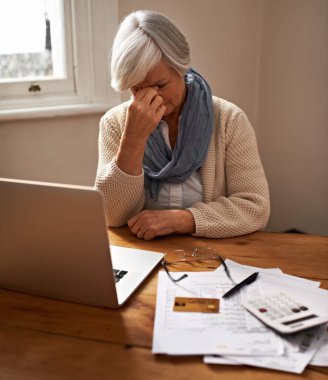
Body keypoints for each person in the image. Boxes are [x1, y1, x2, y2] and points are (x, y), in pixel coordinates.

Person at [95, 10, 270, 240]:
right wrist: (133, 141)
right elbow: (111, 216)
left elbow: (255, 207)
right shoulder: (114, 123)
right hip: (144, 253)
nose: (151, 97)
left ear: (182, 69)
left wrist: (182, 220)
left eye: (160, 85)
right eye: (137, 88)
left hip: (213, 255)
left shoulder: (229, 120)